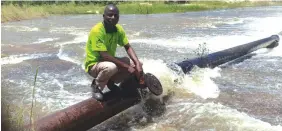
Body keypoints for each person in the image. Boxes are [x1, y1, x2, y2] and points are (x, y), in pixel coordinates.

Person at [84, 4, 144, 101]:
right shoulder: (97, 31)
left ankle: (111, 83)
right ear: (104, 16)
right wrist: (126, 67)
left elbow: (127, 47)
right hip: (94, 65)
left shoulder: (118, 29)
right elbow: (104, 55)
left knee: (138, 63)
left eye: (116, 15)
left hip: (109, 62)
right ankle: (96, 87)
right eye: (110, 15)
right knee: (111, 67)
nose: (113, 18)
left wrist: (137, 64)